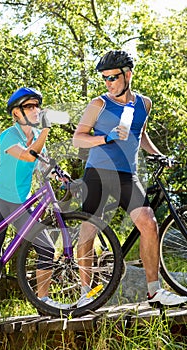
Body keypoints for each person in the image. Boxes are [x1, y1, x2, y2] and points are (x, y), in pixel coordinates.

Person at [72, 50, 187, 308]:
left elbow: (140, 134)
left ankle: (153, 291)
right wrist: (106, 137)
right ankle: (84, 294)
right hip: (99, 173)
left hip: (127, 174)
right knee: (88, 229)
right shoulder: (98, 104)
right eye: (105, 78)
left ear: (128, 74)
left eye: (113, 77)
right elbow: (78, 138)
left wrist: (159, 155)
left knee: (148, 222)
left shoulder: (143, 104)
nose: (109, 83)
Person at [0, 87, 68, 322]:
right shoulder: (9, 135)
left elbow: (43, 164)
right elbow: (29, 155)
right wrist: (47, 130)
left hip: (19, 203)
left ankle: (44, 300)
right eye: (29, 106)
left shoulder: (39, 136)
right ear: (16, 114)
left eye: (36, 106)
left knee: (46, 247)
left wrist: (61, 175)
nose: (36, 110)